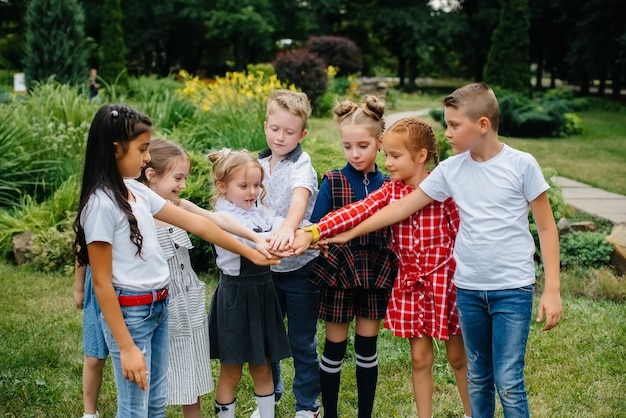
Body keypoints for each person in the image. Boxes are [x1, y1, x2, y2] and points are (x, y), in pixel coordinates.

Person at [297, 82, 563, 418]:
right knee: (451, 367)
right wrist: (332, 231)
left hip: (481, 285)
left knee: (487, 370)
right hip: (442, 286)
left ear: (482, 124)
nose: (447, 132)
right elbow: (383, 209)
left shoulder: (503, 168)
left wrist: (551, 288)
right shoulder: (439, 175)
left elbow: (538, 227)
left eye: (453, 125)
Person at [73, 104, 279, 418]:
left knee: (155, 405)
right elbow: (101, 283)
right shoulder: (101, 204)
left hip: (159, 307)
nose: (146, 158)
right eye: (142, 149)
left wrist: (253, 249)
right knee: (134, 408)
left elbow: (200, 224)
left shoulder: (135, 191)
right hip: (132, 312)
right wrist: (127, 347)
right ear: (115, 149)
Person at [294, 117, 472, 418]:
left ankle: (473, 413)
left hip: (446, 282)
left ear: (420, 156)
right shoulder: (392, 191)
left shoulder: (444, 190)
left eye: (395, 155)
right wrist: (315, 231)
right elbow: (357, 210)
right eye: (386, 154)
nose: (387, 162)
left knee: (457, 357)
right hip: (412, 284)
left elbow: (463, 235)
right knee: (419, 358)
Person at [137, 138, 276, 418]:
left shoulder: (178, 205)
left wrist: (255, 238)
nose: (184, 185)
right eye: (178, 178)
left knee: (192, 368)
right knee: (149, 370)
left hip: (185, 300)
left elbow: (215, 221)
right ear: (151, 176)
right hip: (151, 301)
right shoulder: (137, 209)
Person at [307, 96, 397, 418]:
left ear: (380, 142)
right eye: (348, 146)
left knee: (366, 349)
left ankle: (364, 415)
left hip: (375, 272)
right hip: (338, 273)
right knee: (334, 348)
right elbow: (316, 226)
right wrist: (313, 238)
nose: (355, 154)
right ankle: (329, 414)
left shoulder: (390, 185)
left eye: (363, 145)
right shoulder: (333, 180)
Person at [207, 149, 292, 418]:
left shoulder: (259, 212)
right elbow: (249, 242)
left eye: (257, 185)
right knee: (231, 370)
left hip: (263, 295)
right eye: (243, 186)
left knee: (263, 366)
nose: (252, 192)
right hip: (235, 297)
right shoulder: (223, 218)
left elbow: (277, 223)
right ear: (222, 187)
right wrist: (275, 239)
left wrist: (291, 229)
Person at [253, 89, 321, 418]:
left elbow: (299, 197)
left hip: (300, 268)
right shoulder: (257, 163)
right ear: (265, 125)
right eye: (275, 129)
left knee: (301, 341)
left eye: (290, 132)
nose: (281, 137)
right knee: (268, 338)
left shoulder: (302, 165)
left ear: (302, 134)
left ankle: (307, 405)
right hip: (266, 266)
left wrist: (287, 227)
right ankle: (271, 394)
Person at [74, 263, 107, 418]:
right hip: (97, 287)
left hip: (129, 285)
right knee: (94, 357)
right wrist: (79, 288)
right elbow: (82, 247)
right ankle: (89, 412)